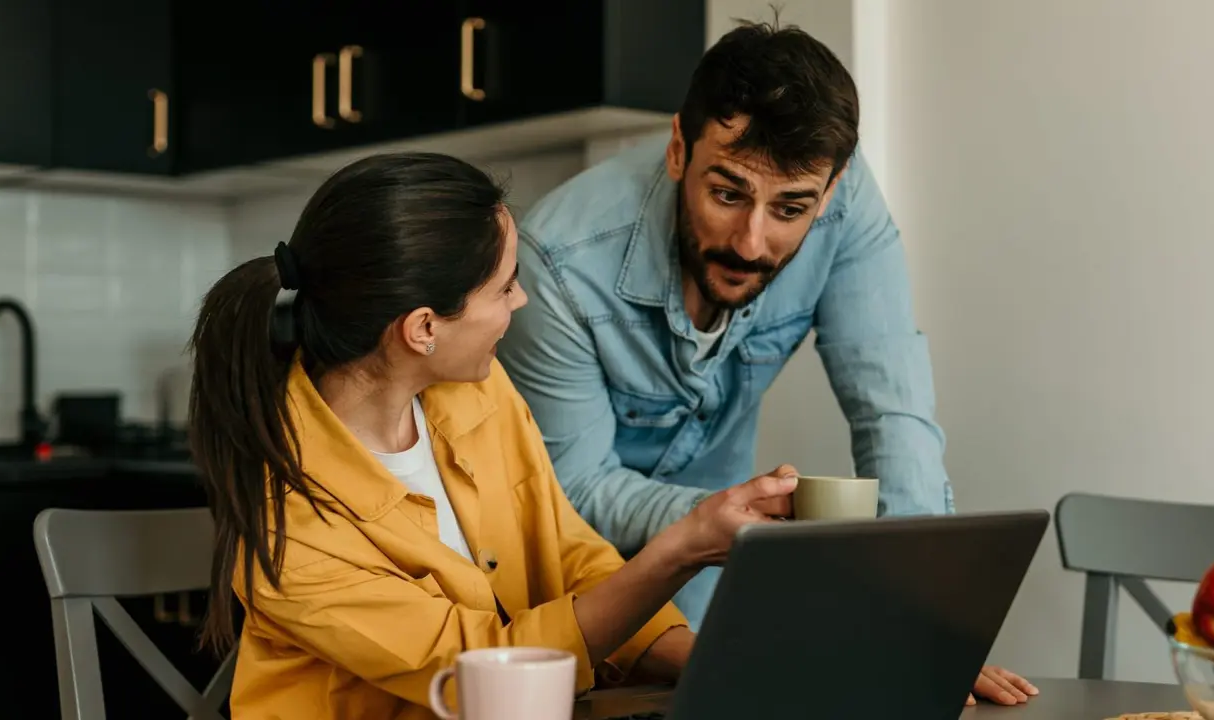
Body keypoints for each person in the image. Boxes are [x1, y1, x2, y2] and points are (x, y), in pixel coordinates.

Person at [497, 20, 1037, 707]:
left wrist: (921, 624)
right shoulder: (558, 264)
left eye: (790, 209)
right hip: (570, 579)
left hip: (724, 565)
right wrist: (728, 519)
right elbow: (571, 488)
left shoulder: (845, 209)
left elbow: (892, 414)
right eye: (727, 194)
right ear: (676, 150)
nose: (752, 242)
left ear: (832, 189)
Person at [186, 152, 800, 719]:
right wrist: (683, 548)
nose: (523, 298)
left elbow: (568, 556)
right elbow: (487, 672)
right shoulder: (294, 529)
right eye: (504, 286)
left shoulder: (477, 389)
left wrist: (708, 663)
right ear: (424, 328)